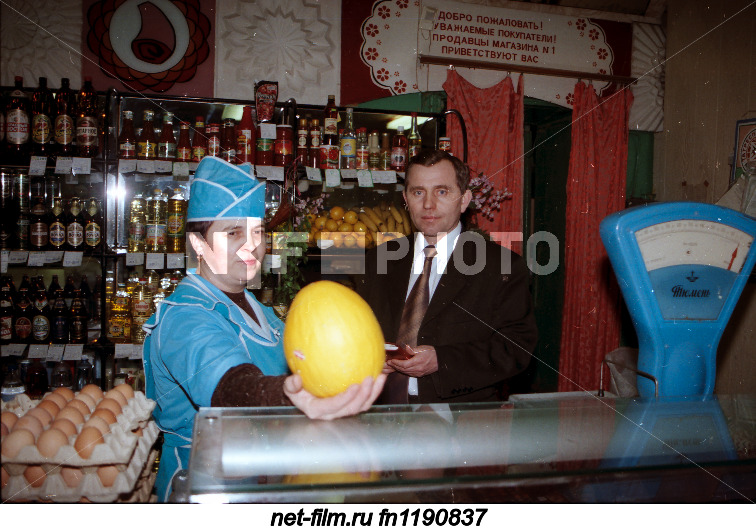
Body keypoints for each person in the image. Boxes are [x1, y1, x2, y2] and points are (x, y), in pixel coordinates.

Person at [143, 157, 385, 502]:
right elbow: (229, 386)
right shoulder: (185, 315)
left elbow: (313, 358)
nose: (251, 246)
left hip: (265, 481)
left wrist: (362, 354)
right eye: (233, 232)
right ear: (198, 244)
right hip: (205, 489)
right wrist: (288, 395)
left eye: (258, 231)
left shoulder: (263, 313)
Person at [354, 150, 537, 404]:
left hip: (461, 424)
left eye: (442, 192)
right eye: (418, 192)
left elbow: (516, 348)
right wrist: (365, 358)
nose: (428, 205)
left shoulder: (502, 266)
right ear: (405, 199)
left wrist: (442, 361)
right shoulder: (376, 260)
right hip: (378, 416)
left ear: (463, 200)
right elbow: (350, 329)